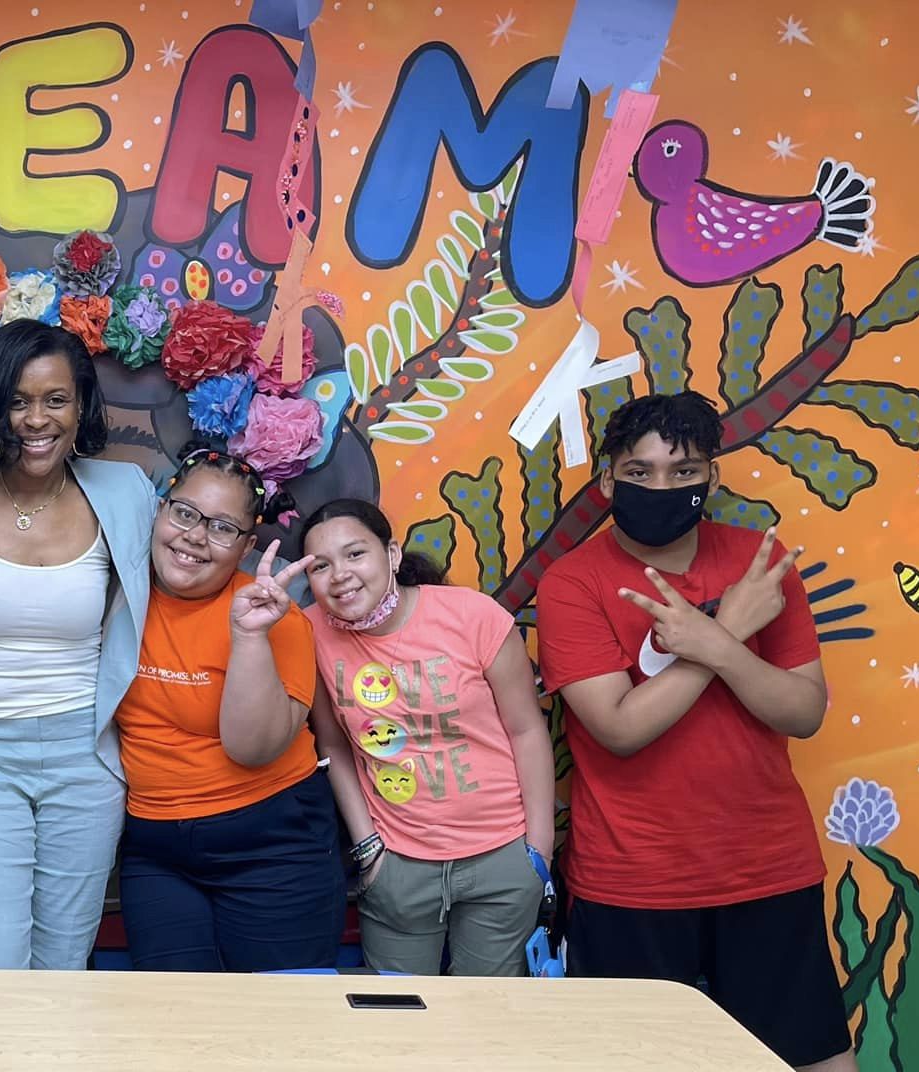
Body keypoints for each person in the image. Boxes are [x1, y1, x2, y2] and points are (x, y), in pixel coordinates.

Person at [535, 391, 849, 1072]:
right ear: (608, 480)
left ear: (712, 477)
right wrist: (727, 631)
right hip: (633, 880)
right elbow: (620, 728)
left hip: (768, 868)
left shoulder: (761, 565)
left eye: (684, 471)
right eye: (639, 471)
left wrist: (717, 643)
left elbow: (803, 712)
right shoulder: (571, 583)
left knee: (813, 1057)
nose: (661, 487)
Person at [0, 320, 155, 970]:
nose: (36, 420)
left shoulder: (126, 492)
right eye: (17, 400)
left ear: (81, 405)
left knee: (65, 960)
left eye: (55, 399)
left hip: (86, 756)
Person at [299, 498, 555, 976]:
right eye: (320, 565)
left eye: (355, 554)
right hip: (397, 862)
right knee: (398, 1013)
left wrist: (537, 852)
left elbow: (526, 729)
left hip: (502, 853)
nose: (340, 575)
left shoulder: (474, 615)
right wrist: (368, 848)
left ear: (392, 554)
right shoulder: (308, 630)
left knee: (489, 1010)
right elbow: (331, 745)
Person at [112, 447, 341, 972]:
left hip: (273, 841)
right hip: (157, 847)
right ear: (160, 512)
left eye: (222, 528)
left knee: (279, 1011)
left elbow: (251, 748)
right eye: (185, 513)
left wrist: (249, 636)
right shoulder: (116, 597)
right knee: (172, 1011)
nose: (195, 536)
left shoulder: (274, 617)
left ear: (245, 547)